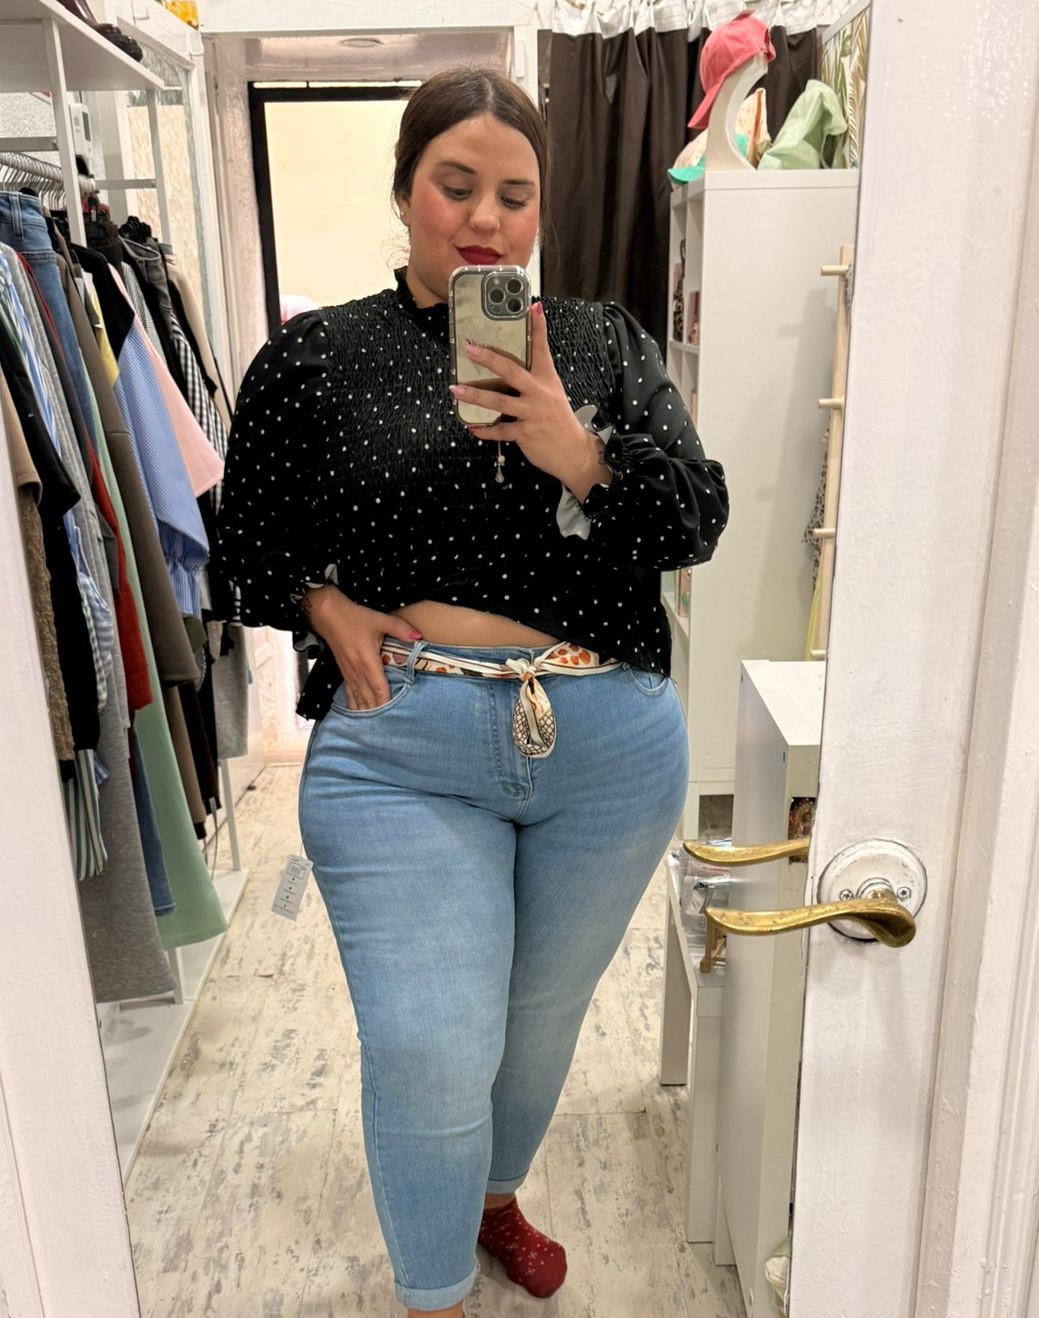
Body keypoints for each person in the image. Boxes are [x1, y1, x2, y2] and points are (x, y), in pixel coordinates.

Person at [219, 66, 729, 1318]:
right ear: (405, 190)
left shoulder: (602, 344)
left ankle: (493, 1196)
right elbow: (243, 543)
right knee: (430, 1041)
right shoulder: (317, 355)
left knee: (537, 1024)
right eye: (456, 186)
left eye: (515, 193)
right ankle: (434, 1292)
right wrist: (324, 607)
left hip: (607, 748)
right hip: (404, 740)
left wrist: (575, 448)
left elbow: (695, 518)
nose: (486, 218)